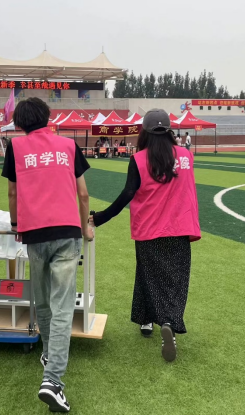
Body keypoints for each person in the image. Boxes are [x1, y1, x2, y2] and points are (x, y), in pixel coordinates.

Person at [1, 97, 93, 413]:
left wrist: (16, 225)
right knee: (63, 306)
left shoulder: (15, 147)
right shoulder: (67, 145)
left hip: (34, 233)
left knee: (42, 302)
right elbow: (83, 193)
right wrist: (86, 226)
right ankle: (52, 380)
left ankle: (48, 356)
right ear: (48, 117)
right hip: (67, 232)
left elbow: (12, 191)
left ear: (19, 123)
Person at [90, 109, 201, 363]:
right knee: (175, 281)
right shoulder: (186, 156)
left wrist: (100, 217)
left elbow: (127, 194)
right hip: (179, 229)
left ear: (145, 132)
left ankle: (155, 321)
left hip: (149, 230)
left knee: (148, 276)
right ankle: (160, 320)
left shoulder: (139, 160)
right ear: (169, 131)